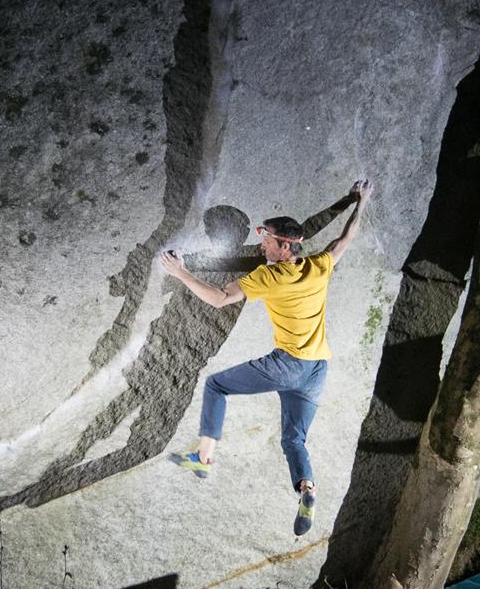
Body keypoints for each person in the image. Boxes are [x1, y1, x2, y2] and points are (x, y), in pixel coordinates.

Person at [157, 179, 372, 537]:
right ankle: (307, 488)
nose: (261, 244)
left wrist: (180, 272)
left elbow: (220, 298)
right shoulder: (319, 265)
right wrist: (359, 202)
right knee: (294, 440)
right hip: (317, 369)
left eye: (268, 240)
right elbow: (344, 239)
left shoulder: (269, 275)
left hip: (287, 366)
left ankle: (204, 458)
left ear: (285, 246)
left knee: (216, 385)